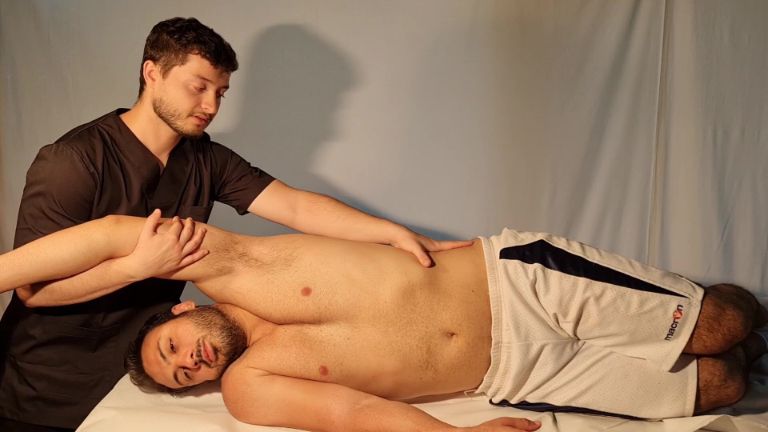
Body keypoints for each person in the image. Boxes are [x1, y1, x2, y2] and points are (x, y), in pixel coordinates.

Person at [0, 17, 470, 432]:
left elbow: (297, 207)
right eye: (198, 86)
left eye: (220, 93)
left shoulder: (207, 159)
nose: (211, 105)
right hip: (46, 378)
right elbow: (31, 291)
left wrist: (390, 232)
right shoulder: (72, 161)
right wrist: (135, 267)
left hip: (145, 367)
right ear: (152, 73)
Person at [1, 214, 766, 432]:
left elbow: (111, 235)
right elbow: (354, 413)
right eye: (179, 377)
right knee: (723, 388)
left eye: (173, 346)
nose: (189, 362)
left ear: (182, 309)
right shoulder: (249, 388)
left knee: (724, 323)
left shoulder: (231, 265)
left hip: (519, 286)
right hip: (516, 372)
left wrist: (14, 278)